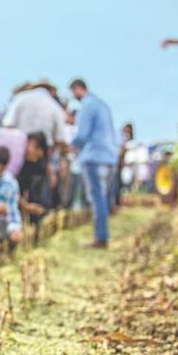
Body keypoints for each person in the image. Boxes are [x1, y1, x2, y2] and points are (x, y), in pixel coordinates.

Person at [2, 81, 67, 220]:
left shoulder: (20, 99)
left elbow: (7, 124)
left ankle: (15, 221)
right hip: (40, 154)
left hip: (17, 149)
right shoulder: (53, 106)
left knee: (15, 186)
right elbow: (61, 138)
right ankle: (34, 223)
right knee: (37, 193)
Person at [0, 129, 49, 240]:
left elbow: (10, 193)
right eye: (37, 155)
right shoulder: (17, 154)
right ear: (33, 144)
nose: (35, 160)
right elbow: (8, 189)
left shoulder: (18, 137)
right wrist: (25, 206)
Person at [69, 78, 118, 249]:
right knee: (102, 198)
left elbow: (82, 135)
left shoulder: (87, 105)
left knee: (96, 198)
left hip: (94, 156)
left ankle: (100, 237)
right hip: (109, 157)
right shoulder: (102, 105)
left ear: (77, 89)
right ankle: (102, 235)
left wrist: (70, 146)